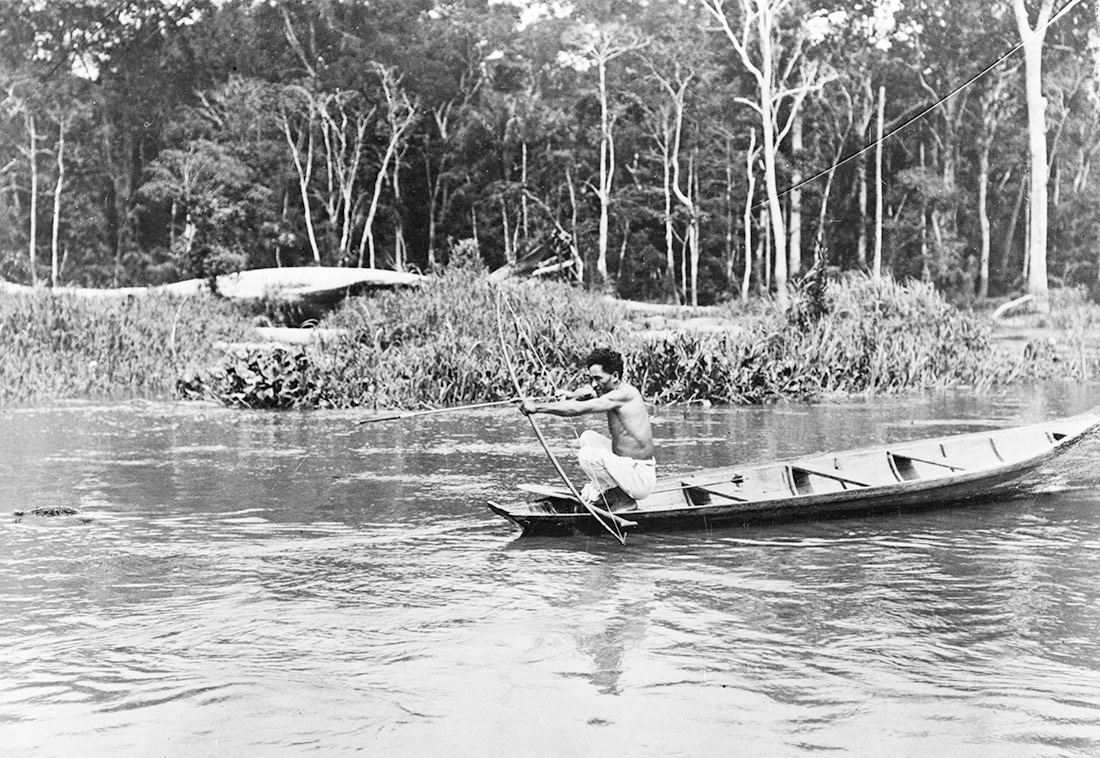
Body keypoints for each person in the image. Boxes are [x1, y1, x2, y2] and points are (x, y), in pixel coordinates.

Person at [519, 347, 656, 509]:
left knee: (587, 454)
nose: (593, 383)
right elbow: (589, 394)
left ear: (615, 376)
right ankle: (610, 492)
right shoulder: (614, 389)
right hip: (628, 468)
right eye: (591, 378)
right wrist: (570, 395)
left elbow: (578, 409)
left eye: (598, 378)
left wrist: (537, 407)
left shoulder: (624, 395)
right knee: (588, 437)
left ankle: (624, 499)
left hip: (639, 478)